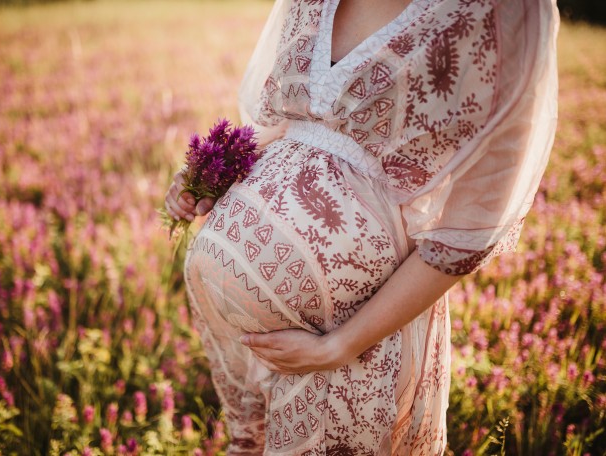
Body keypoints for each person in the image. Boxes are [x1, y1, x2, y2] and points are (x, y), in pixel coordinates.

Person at [164, 0, 559, 453]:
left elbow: (472, 226)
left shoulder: (506, 12)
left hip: (354, 345)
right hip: (248, 351)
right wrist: (213, 176)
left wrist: (341, 345)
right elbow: (283, 126)